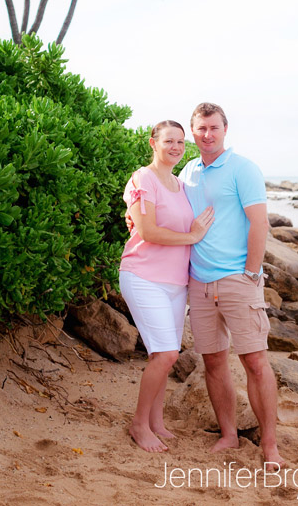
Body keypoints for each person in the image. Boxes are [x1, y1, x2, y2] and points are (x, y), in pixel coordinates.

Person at [179, 102, 284, 467]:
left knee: (255, 362)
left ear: (225, 130)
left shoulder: (243, 168)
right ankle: (229, 435)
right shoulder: (189, 171)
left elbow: (259, 223)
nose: (207, 135)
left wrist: (252, 273)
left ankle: (270, 446)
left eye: (213, 128)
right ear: (193, 132)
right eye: (201, 129)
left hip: (238, 279)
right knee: (213, 362)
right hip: (200, 282)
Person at [120, 121, 214, 452]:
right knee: (167, 354)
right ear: (153, 143)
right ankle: (138, 425)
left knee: (163, 356)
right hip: (143, 276)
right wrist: (191, 237)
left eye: (180, 141)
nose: (175, 146)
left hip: (176, 283)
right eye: (168, 141)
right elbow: (146, 230)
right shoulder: (143, 178)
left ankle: (155, 422)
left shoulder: (178, 183)